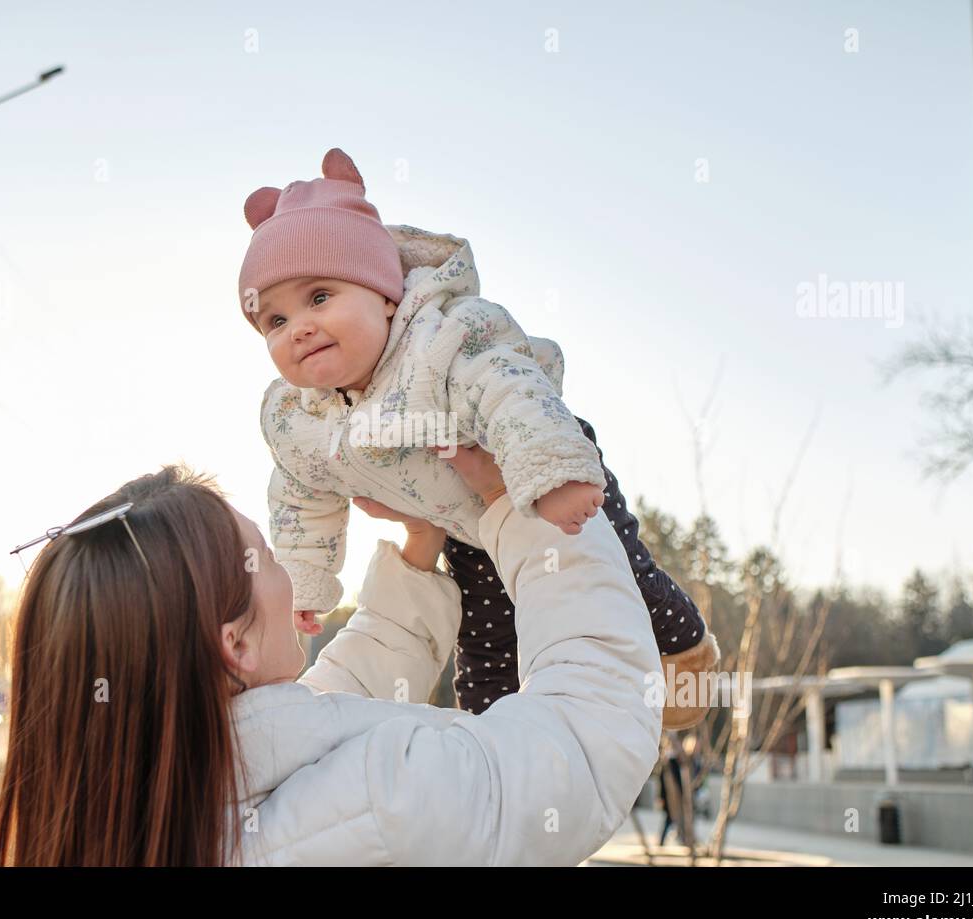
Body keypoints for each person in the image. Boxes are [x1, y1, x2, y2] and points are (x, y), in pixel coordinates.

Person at [0, 445, 663, 865]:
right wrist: (523, 507)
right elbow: (584, 739)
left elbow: (332, 711)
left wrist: (419, 542)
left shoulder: (150, 806)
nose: (290, 574)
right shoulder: (381, 797)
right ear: (236, 645)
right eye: (269, 560)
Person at [242, 146, 718, 723]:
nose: (300, 327)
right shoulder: (300, 419)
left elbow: (511, 390)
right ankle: (498, 742)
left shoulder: (442, 342)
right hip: (463, 530)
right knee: (486, 648)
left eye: (320, 297)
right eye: (275, 320)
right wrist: (304, 582)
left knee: (619, 575)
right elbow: (301, 495)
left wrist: (552, 474)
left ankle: (685, 655)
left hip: (534, 472)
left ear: (386, 297)